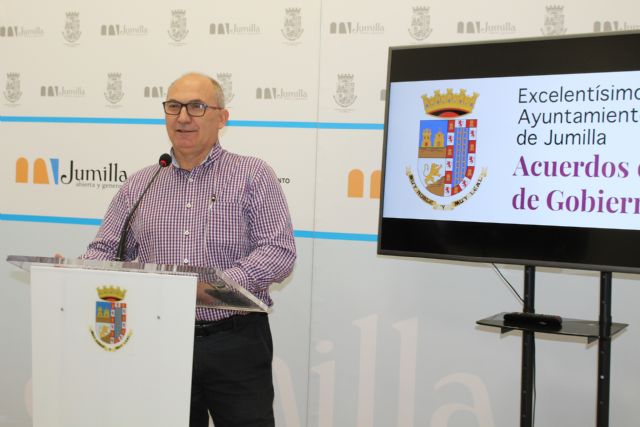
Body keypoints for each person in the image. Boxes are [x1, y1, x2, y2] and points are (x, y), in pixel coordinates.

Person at [83, 72, 296, 427]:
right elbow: (105, 248)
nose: (183, 117)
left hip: (235, 343)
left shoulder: (252, 175)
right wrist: (74, 273)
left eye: (196, 106)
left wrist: (214, 288)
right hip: (159, 340)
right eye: (173, 106)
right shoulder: (140, 183)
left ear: (222, 117)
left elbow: (278, 251)